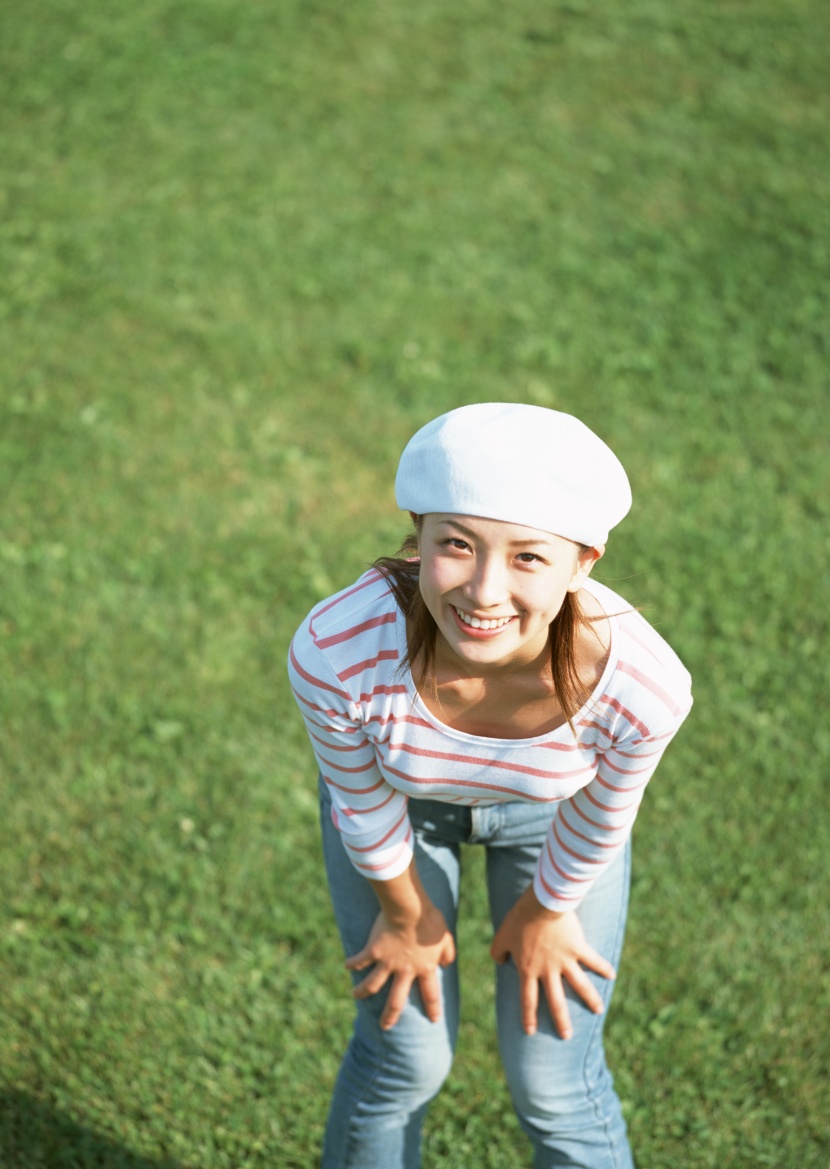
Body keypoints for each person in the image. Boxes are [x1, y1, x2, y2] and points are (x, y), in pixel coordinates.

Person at [288, 403, 692, 1169]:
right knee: (405, 1059)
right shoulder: (336, 647)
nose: (482, 590)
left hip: (555, 822)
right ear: (420, 535)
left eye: (528, 558)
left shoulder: (643, 686)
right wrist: (406, 916)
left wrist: (547, 909)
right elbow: (361, 801)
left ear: (584, 564)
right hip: (399, 813)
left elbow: (605, 813)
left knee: (555, 1082)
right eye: (457, 545)